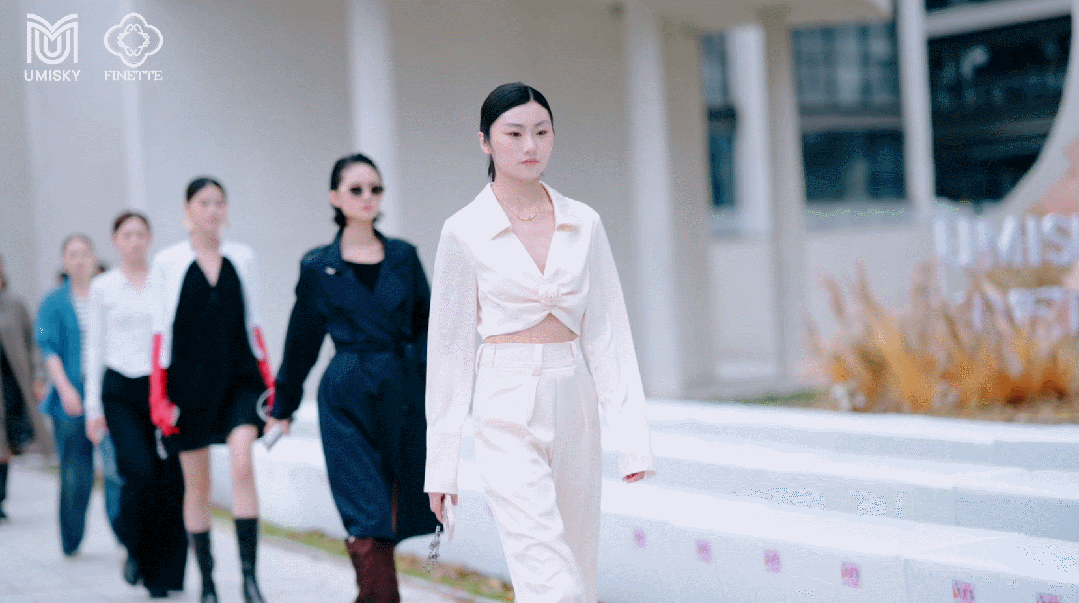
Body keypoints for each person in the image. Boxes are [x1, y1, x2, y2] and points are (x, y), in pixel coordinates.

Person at [424, 82, 656, 603]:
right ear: (485, 141)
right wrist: (441, 466)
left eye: (542, 132)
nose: (530, 146)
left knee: (577, 567)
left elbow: (609, 333)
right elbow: (449, 353)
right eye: (514, 134)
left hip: (574, 396)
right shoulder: (463, 230)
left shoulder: (584, 222)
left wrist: (632, 438)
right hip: (504, 402)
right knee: (552, 579)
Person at [267, 152, 438, 603]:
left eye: (375, 189)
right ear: (335, 197)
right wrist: (282, 407)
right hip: (346, 396)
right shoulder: (317, 265)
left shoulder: (403, 256)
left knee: (393, 510)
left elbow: (428, 327)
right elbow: (301, 341)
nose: (367, 197)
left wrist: (433, 387)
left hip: (402, 394)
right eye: (356, 189)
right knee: (367, 512)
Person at [148, 177, 276, 603]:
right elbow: (159, 334)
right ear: (188, 210)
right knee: (198, 485)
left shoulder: (243, 257)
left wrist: (271, 385)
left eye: (219, 202)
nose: (212, 210)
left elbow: (255, 324)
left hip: (239, 380)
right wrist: (159, 397)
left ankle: (250, 580)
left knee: (242, 465)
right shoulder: (168, 262)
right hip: (188, 386)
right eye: (203, 202)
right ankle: (207, 582)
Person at [84, 211, 187, 597]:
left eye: (140, 234)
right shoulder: (103, 287)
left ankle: (168, 575)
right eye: (126, 235)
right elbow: (94, 348)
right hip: (120, 390)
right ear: (115, 241)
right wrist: (93, 409)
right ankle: (135, 550)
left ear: (150, 238)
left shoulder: (166, 281)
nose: (134, 241)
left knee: (170, 479)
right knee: (139, 474)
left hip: (162, 388)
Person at [36, 234, 124, 556]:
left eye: (85, 253)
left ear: (95, 256)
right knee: (75, 474)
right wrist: (64, 388)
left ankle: (125, 537)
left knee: (116, 469)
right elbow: (46, 345)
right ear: (64, 261)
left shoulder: (109, 294)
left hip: (109, 397)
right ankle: (71, 540)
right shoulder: (52, 302)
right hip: (70, 399)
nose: (79, 260)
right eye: (72, 254)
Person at [0, 254, 50, 522]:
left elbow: (33, 342)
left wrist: (38, 375)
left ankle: (0, 497)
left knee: (6, 444)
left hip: (12, 383)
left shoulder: (15, 305)